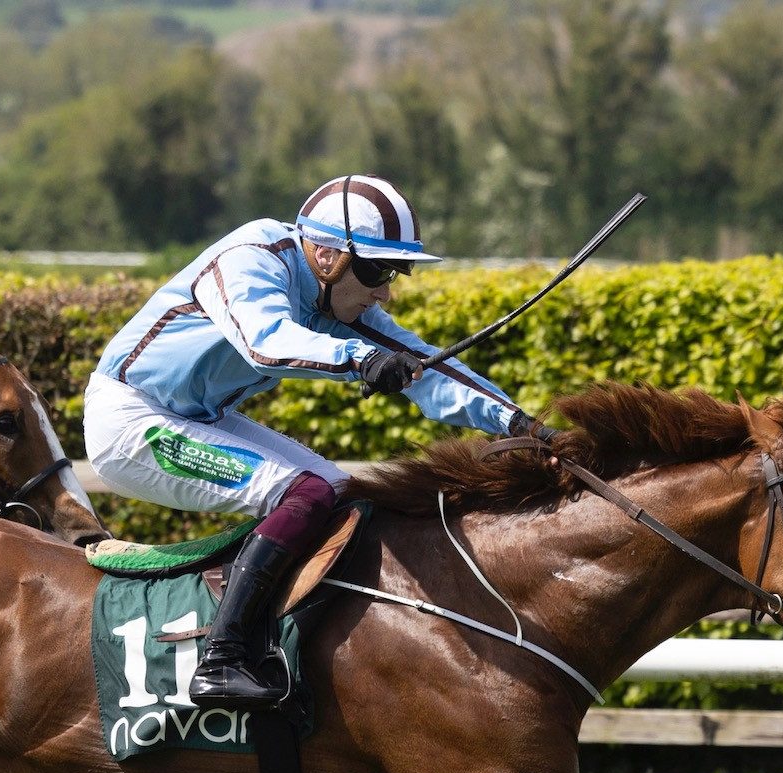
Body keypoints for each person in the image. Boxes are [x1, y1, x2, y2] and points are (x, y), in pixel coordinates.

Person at [84, 174, 557, 708]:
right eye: (378, 271)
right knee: (304, 493)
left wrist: (524, 425)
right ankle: (220, 660)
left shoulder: (334, 302)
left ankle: (281, 644)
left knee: (336, 489)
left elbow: (428, 368)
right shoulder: (252, 256)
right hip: (128, 419)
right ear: (328, 256)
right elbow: (266, 343)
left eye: (393, 274)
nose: (385, 291)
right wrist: (360, 359)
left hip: (197, 416)